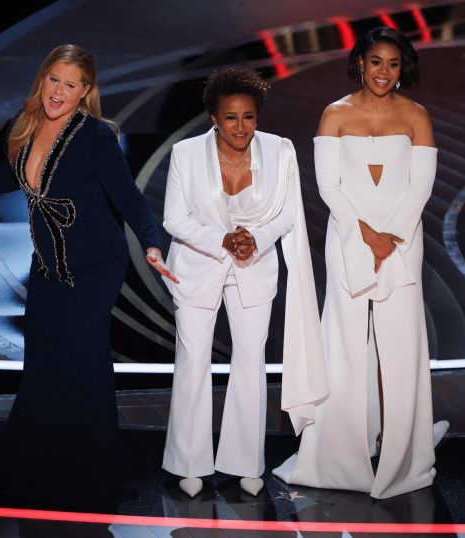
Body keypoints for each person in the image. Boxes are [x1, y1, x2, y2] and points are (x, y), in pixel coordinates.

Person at [0, 44, 177, 509]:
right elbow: (10, 177)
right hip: (48, 269)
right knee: (45, 369)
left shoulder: (95, 137)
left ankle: (90, 479)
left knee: (79, 368)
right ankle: (35, 472)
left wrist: (151, 242)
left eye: (71, 85)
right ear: (43, 79)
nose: (59, 92)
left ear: (85, 92)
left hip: (95, 270)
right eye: (54, 80)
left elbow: (129, 198)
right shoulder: (28, 127)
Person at [273, 28, 448, 499]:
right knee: (345, 343)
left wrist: (391, 235)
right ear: (360, 62)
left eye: (393, 64)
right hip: (349, 236)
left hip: (402, 238)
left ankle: (402, 457)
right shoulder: (335, 113)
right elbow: (329, 186)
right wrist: (367, 233)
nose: (384, 72)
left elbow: (421, 186)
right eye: (376, 62)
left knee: (401, 344)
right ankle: (339, 455)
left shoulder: (416, 115)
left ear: (402, 67)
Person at [160, 68, 327, 498]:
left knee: (251, 359)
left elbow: (289, 213)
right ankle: (189, 463)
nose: (240, 127)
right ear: (214, 116)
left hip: (253, 266)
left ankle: (244, 462)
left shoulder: (280, 150)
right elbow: (174, 219)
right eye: (231, 117)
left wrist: (257, 238)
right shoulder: (185, 153)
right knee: (194, 358)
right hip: (198, 266)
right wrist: (223, 240)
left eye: (249, 117)